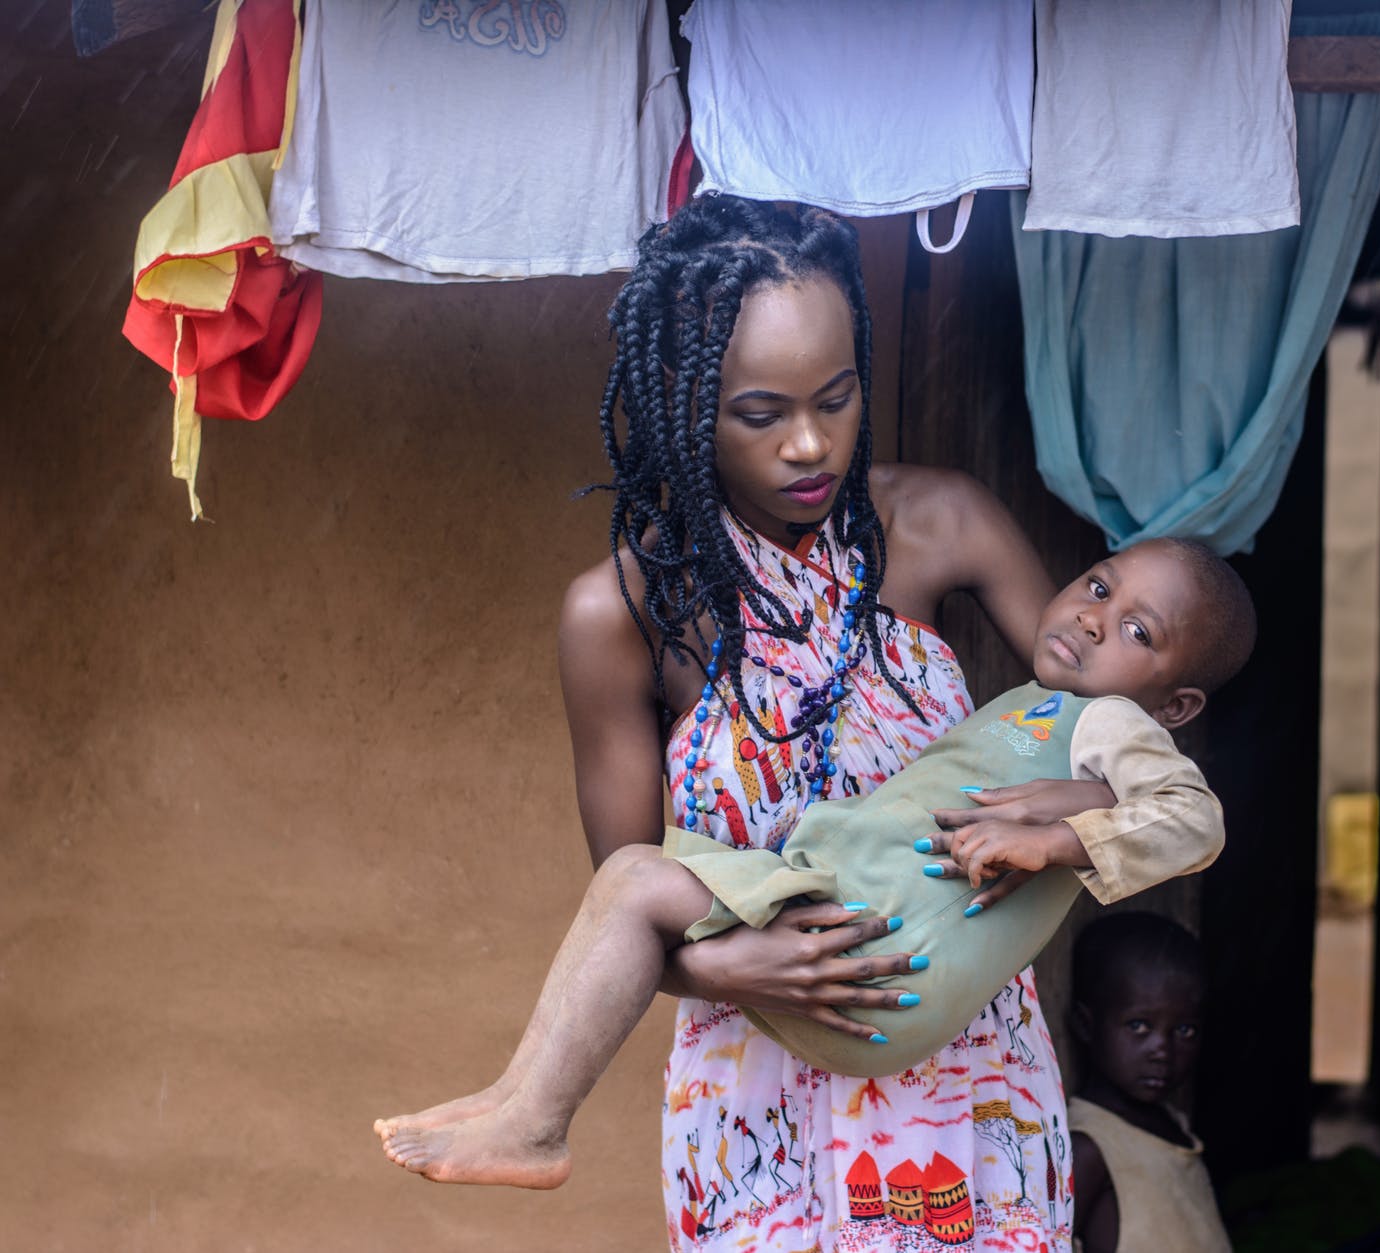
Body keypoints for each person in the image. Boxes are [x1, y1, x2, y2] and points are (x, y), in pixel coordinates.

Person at [374, 194, 1121, 1249]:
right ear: (683, 403)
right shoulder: (622, 616)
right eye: (760, 413)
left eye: (837, 396)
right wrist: (734, 966)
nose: (811, 446)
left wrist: (1060, 813)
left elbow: (1104, 743)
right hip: (761, 1068)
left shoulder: (944, 524)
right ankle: (524, 1113)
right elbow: (632, 901)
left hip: (965, 1064)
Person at [375, 537, 1252, 1188]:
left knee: (638, 881)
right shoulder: (1040, 709)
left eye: (1136, 627)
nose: (1095, 614)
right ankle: (519, 1099)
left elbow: (1195, 819)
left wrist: (1058, 837)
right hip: (846, 915)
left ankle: (535, 1122)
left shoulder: (1112, 724)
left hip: (875, 941)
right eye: (1099, 584)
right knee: (631, 879)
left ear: (1173, 702)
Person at [1067, 912, 1232, 1253]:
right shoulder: (1088, 1147)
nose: (1163, 1051)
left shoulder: (1173, 1126)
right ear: (1086, 1025)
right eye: (1139, 1026)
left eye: (1184, 1031)